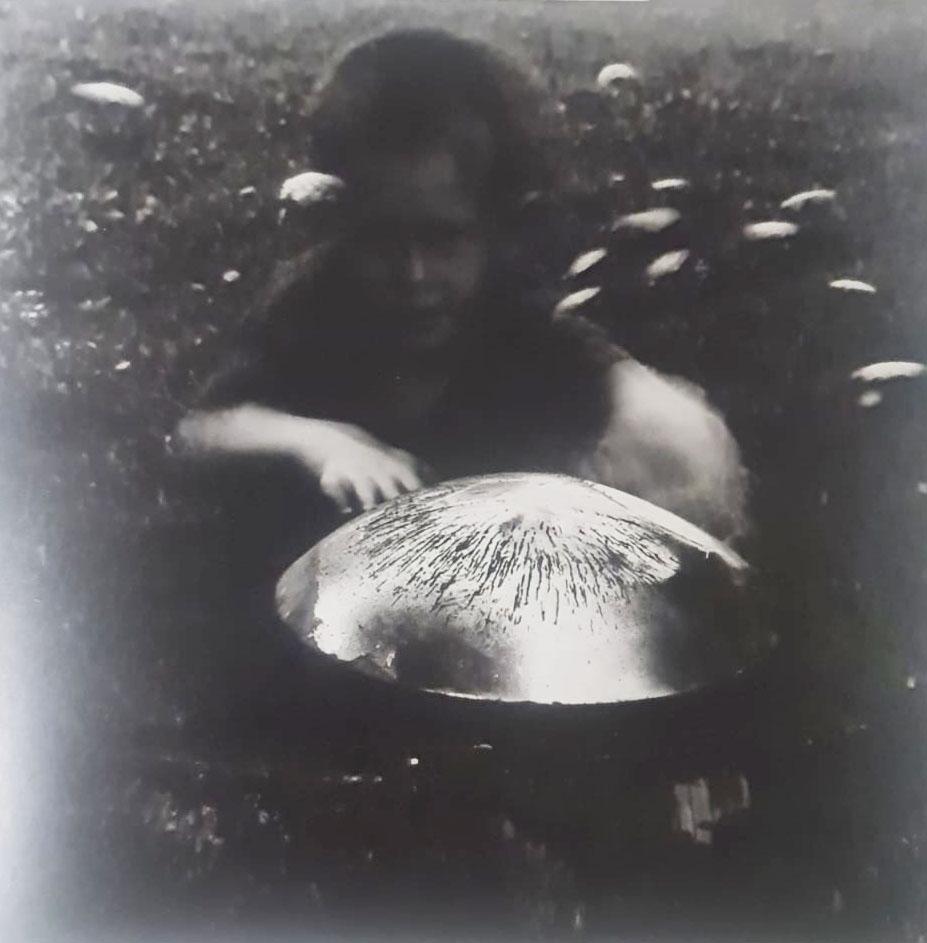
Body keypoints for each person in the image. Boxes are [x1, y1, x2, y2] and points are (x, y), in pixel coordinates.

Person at [178, 29, 749, 562]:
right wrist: (319, 441)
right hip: (327, 574)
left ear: (496, 228)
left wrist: (650, 406)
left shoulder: (504, 310)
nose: (413, 273)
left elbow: (588, 362)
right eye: (380, 239)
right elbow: (206, 429)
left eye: (444, 238)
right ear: (339, 224)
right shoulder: (316, 303)